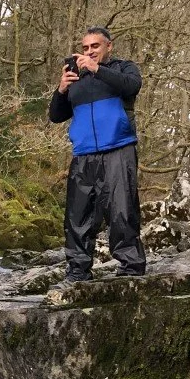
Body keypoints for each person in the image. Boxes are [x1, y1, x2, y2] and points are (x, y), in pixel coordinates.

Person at [48, 25, 146, 281]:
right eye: (85, 48)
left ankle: (130, 267)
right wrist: (61, 89)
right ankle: (78, 270)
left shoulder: (123, 68)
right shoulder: (76, 81)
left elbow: (132, 86)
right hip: (83, 154)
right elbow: (56, 116)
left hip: (119, 148)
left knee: (122, 210)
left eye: (95, 46)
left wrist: (97, 70)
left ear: (108, 46)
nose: (89, 52)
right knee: (78, 214)